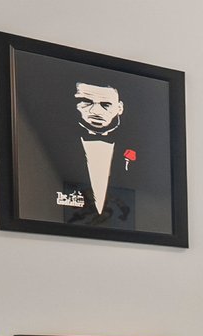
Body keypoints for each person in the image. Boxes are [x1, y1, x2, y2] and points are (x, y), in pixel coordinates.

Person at [12, 72, 169, 233]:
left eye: (105, 105)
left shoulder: (147, 150)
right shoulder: (50, 146)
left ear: (119, 108)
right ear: (74, 104)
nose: (96, 111)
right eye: (86, 102)